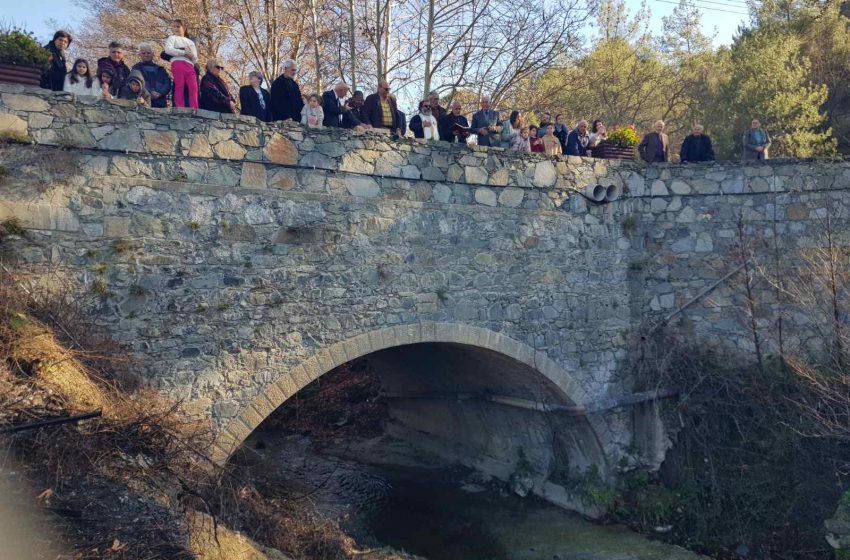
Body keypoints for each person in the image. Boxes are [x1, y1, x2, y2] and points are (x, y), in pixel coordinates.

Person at [164, 20, 199, 109]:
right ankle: (179, 107)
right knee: (180, 85)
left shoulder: (190, 42)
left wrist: (191, 56)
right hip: (177, 62)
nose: (175, 29)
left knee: (193, 86)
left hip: (190, 64)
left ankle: (194, 107)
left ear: (184, 28)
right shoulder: (172, 38)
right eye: (174, 27)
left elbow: (195, 57)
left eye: (178, 26)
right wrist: (183, 52)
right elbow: (168, 50)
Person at [131, 43, 172, 109]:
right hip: (143, 102)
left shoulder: (161, 69)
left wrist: (160, 93)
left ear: (152, 54)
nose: (146, 55)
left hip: (161, 103)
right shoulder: (136, 68)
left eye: (148, 53)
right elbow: (136, 83)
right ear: (140, 55)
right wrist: (149, 93)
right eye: (143, 53)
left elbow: (167, 84)